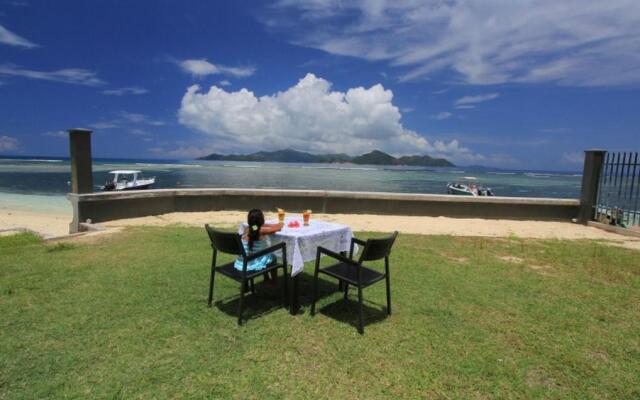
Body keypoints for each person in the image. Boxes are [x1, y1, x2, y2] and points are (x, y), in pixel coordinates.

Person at [235, 209, 283, 283]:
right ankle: (274, 281)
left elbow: (257, 227)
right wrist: (280, 224)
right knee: (272, 256)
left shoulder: (247, 229)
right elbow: (278, 228)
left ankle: (266, 278)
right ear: (262, 219)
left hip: (242, 263)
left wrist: (267, 225)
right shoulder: (261, 231)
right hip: (252, 264)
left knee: (263, 255)